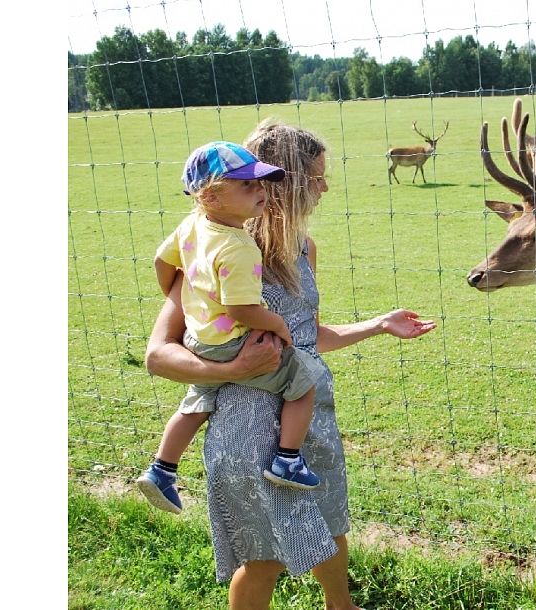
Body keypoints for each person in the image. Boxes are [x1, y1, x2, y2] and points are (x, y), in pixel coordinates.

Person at [145, 119, 436, 610]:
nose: (325, 188)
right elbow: (158, 355)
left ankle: (341, 607)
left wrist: (379, 325)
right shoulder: (217, 249)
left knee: (329, 520)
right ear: (289, 181)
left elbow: (308, 336)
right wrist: (229, 371)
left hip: (308, 419)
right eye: (317, 177)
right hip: (249, 427)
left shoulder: (304, 248)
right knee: (263, 558)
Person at [136, 141, 329, 516]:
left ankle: (162, 469)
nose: (260, 191)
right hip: (231, 341)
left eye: (261, 183)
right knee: (303, 384)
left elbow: (162, 262)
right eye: (247, 185)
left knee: (195, 404)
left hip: (199, 338)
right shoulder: (239, 245)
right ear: (211, 195)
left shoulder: (192, 224)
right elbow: (241, 307)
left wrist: (188, 297)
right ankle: (287, 459)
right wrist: (279, 324)